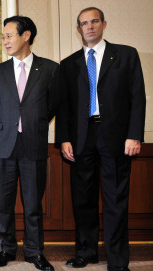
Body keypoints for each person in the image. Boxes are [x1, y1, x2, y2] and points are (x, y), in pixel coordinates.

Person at [56, 7, 146, 271]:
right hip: (81, 139)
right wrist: (63, 139)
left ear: (104, 24)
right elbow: (64, 107)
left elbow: (137, 98)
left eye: (94, 21)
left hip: (117, 138)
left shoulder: (126, 55)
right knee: (83, 200)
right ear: (78, 29)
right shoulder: (69, 64)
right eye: (84, 23)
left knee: (116, 200)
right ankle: (86, 253)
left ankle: (118, 262)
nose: (89, 27)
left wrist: (134, 135)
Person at [0, 16, 58, 271]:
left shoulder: (49, 69)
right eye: (3, 36)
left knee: (33, 202)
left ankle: (35, 252)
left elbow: (53, 105)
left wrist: (34, 122)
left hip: (33, 143)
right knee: (3, 202)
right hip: (3, 144)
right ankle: (5, 249)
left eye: (9, 35)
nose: (4, 40)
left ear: (26, 36)